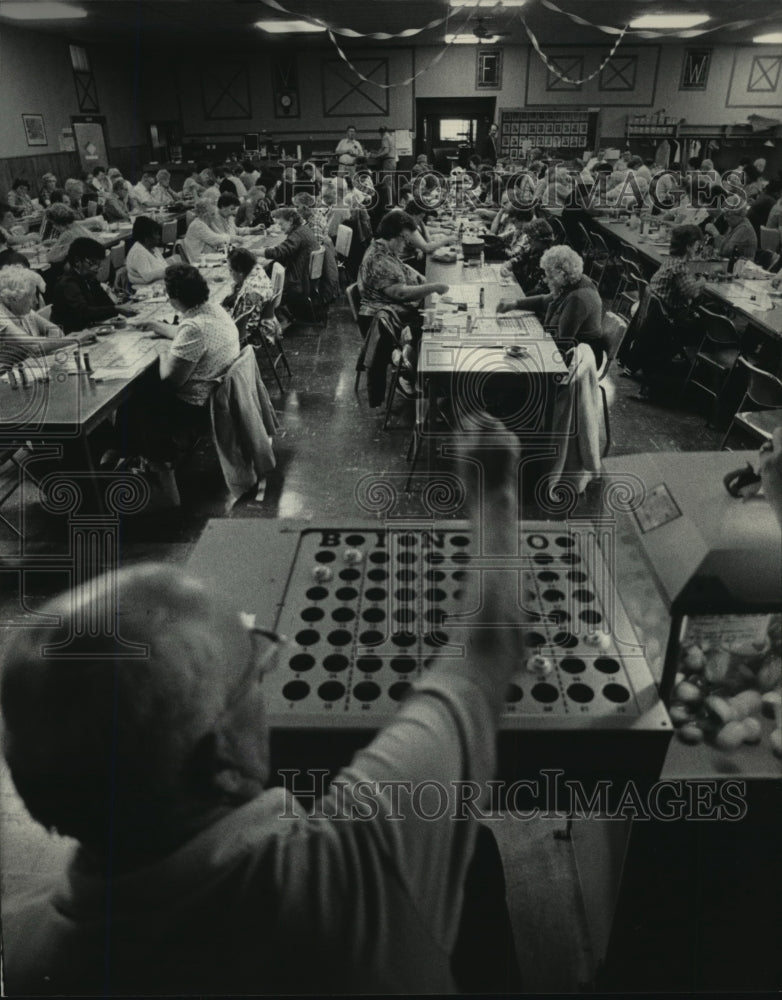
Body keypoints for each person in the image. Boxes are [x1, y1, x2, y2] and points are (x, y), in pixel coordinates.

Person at [0, 407, 525, 996]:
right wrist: (494, 488)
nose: (267, 668)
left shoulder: (24, 956)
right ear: (218, 755)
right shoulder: (351, 865)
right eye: (253, 670)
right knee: (471, 847)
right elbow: (489, 646)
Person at [498, 243, 606, 366]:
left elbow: (560, 343)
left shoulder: (577, 299)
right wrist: (514, 304)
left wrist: (530, 338)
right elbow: (544, 301)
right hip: (566, 347)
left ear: (561, 274)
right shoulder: (573, 281)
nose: (545, 280)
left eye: (549, 276)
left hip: (580, 358)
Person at [357, 209, 449, 335]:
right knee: (440, 330)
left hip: (392, 315)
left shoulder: (382, 248)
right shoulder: (379, 260)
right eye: (405, 238)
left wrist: (417, 276)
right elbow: (401, 294)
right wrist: (433, 287)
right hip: (383, 324)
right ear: (394, 235)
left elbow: (398, 267)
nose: (407, 243)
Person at [51, 238, 136, 333]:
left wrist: (119, 306)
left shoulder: (89, 278)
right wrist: (115, 309)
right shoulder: (68, 284)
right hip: (72, 335)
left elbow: (106, 303)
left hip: (89, 329)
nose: (97, 269)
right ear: (77, 261)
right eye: (93, 263)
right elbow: (84, 313)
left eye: (99, 264)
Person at [0, 265, 77, 365]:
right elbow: (35, 346)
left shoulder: (22, 310)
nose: (36, 301)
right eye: (31, 297)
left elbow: (55, 330)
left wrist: (47, 346)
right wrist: (76, 338)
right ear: (14, 298)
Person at [259, 206, 319, 316]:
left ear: (291, 221)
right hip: (307, 277)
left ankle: (267, 312)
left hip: (299, 280)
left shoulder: (297, 234)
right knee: (271, 268)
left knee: (262, 277)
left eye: (281, 224)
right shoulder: (303, 229)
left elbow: (279, 252)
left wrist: (255, 252)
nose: (280, 228)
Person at [648, 224, 705, 324]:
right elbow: (692, 293)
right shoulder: (679, 266)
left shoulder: (672, 260)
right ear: (688, 247)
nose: (697, 249)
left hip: (654, 312)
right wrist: (702, 281)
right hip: (667, 318)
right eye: (696, 245)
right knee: (702, 319)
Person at [225, 246, 274, 342]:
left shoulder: (249, 292)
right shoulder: (258, 270)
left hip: (247, 332)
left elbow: (241, 321)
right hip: (266, 321)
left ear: (240, 272)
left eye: (231, 270)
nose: (230, 274)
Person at [502, 218, 555, 294]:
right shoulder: (534, 249)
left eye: (532, 238)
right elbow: (519, 259)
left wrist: (520, 297)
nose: (528, 240)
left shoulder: (551, 260)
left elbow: (540, 290)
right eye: (528, 237)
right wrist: (508, 265)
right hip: (525, 290)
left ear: (542, 240)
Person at [126, 216, 179, 286]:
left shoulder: (153, 248)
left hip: (160, 283)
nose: (159, 237)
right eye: (156, 234)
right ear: (146, 238)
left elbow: (163, 265)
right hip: (148, 288)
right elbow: (148, 276)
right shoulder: (138, 252)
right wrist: (170, 270)